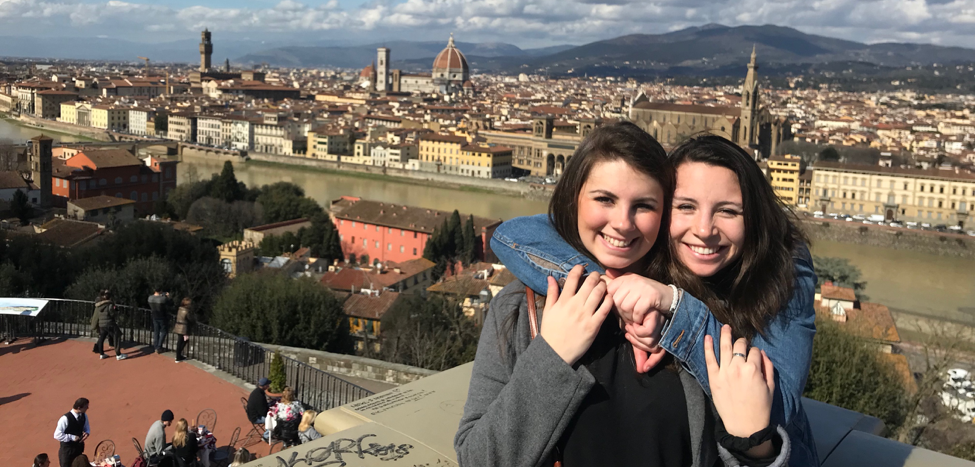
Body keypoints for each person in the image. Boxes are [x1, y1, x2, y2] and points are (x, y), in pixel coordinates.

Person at [455, 123, 789, 467]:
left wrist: (758, 447)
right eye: (604, 199)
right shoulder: (519, 310)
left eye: (643, 205)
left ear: (664, 214)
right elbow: (478, 459)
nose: (623, 223)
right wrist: (552, 354)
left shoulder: (700, 314)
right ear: (574, 199)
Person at [53, 397, 89, 467]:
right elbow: (57, 435)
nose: (87, 408)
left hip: (78, 449)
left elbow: (86, 427)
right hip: (67, 451)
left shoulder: (84, 416)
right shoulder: (65, 419)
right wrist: (71, 437)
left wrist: (87, 433)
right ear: (79, 408)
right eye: (86, 407)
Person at [92, 290, 126, 360]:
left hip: (101, 324)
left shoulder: (99, 305)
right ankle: (118, 354)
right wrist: (115, 310)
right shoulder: (110, 304)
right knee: (117, 335)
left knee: (101, 338)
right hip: (109, 323)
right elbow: (112, 314)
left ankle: (101, 354)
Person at [148, 288, 172, 354]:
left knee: (156, 332)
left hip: (154, 316)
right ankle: (159, 347)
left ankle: (156, 346)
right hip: (162, 316)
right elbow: (169, 303)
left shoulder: (150, 298)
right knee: (164, 331)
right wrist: (167, 296)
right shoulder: (162, 299)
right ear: (160, 291)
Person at [173, 298, 193, 363]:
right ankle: (178, 356)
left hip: (178, 325)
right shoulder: (187, 311)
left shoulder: (180, 309)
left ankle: (178, 355)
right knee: (183, 341)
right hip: (184, 327)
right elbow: (190, 319)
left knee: (180, 341)